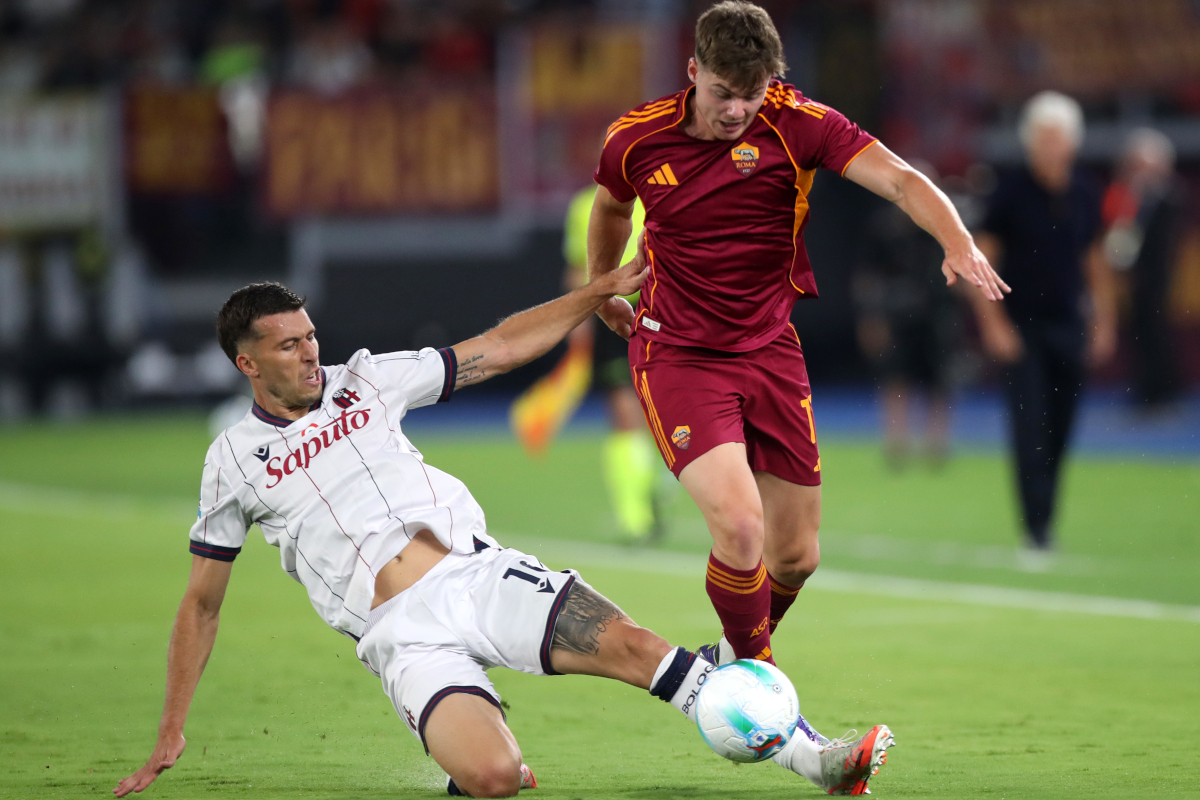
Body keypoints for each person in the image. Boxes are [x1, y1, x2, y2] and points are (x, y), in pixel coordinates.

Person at [113, 275, 896, 799]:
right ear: (247, 364)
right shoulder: (232, 463)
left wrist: (593, 294)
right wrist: (172, 727)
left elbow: (499, 347)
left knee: (634, 646)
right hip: (399, 636)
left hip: (477, 575)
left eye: (311, 336)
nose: (310, 353)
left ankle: (814, 758)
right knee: (494, 778)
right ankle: (483, 748)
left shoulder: (366, 382)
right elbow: (202, 605)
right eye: (288, 346)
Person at [588, 1, 1006, 672]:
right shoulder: (636, 139)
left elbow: (900, 179)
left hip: (769, 349)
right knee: (741, 526)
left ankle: (727, 664)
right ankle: (756, 681)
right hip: (679, 353)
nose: (736, 111)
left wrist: (955, 240)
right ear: (693, 71)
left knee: (795, 556)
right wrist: (602, 284)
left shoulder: (798, 123)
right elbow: (611, 206)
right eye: (723, 93)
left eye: (750, 96)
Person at [969, 91, 1116, 552]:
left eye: (1059, 137)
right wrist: (993, 324)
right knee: (1029, 425)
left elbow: (1096, 262)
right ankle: (1036, 527)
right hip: (1021, 327)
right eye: (1042, 137)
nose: (1051, 146)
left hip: (1068, 323)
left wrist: (1105, 321)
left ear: (1073, 142)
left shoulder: (1086, 192)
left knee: (1062, 425)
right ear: (1029, 141)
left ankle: (1047, 514)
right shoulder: (1009, 191)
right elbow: (983, 258)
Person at [853, 161, 962, 468]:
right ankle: (896, 441)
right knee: (895, 377)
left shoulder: (945, 225)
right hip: (896, 314)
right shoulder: (883, 226)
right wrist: (871, 317)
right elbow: (867, 276)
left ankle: (937, 443)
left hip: (937, 313)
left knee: (941, 378)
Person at [1103, 128, 1187, 411]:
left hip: (1159, 278)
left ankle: (1163, 392)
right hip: (1138, 278)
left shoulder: (1168, 195)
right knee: (1141, 334)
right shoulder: (1130, 195)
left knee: (1157, 334)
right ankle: (1147, 391)